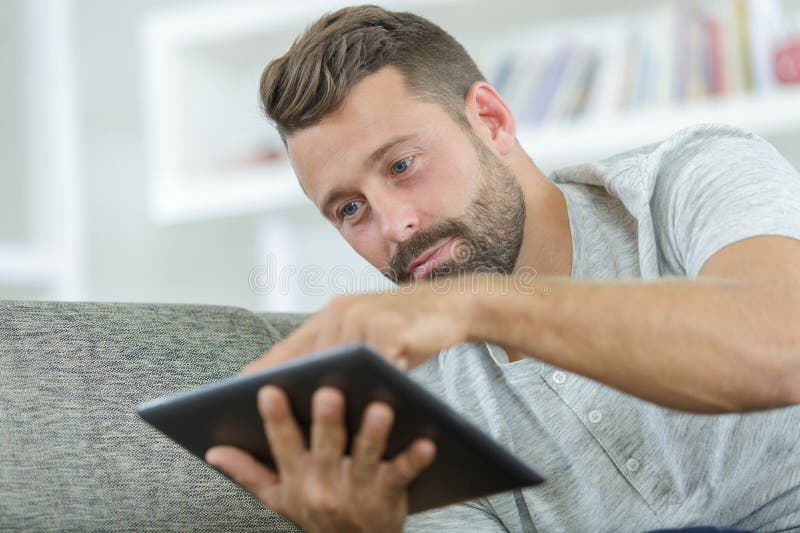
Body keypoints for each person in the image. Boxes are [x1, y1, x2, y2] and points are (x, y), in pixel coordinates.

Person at [204, 5, 800, 532]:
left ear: (490, 120)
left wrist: (475, 303)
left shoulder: (691, 177)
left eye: (403, 165)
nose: (392, 226)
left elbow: (782, 342)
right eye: (350, 208)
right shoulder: (417, 399)